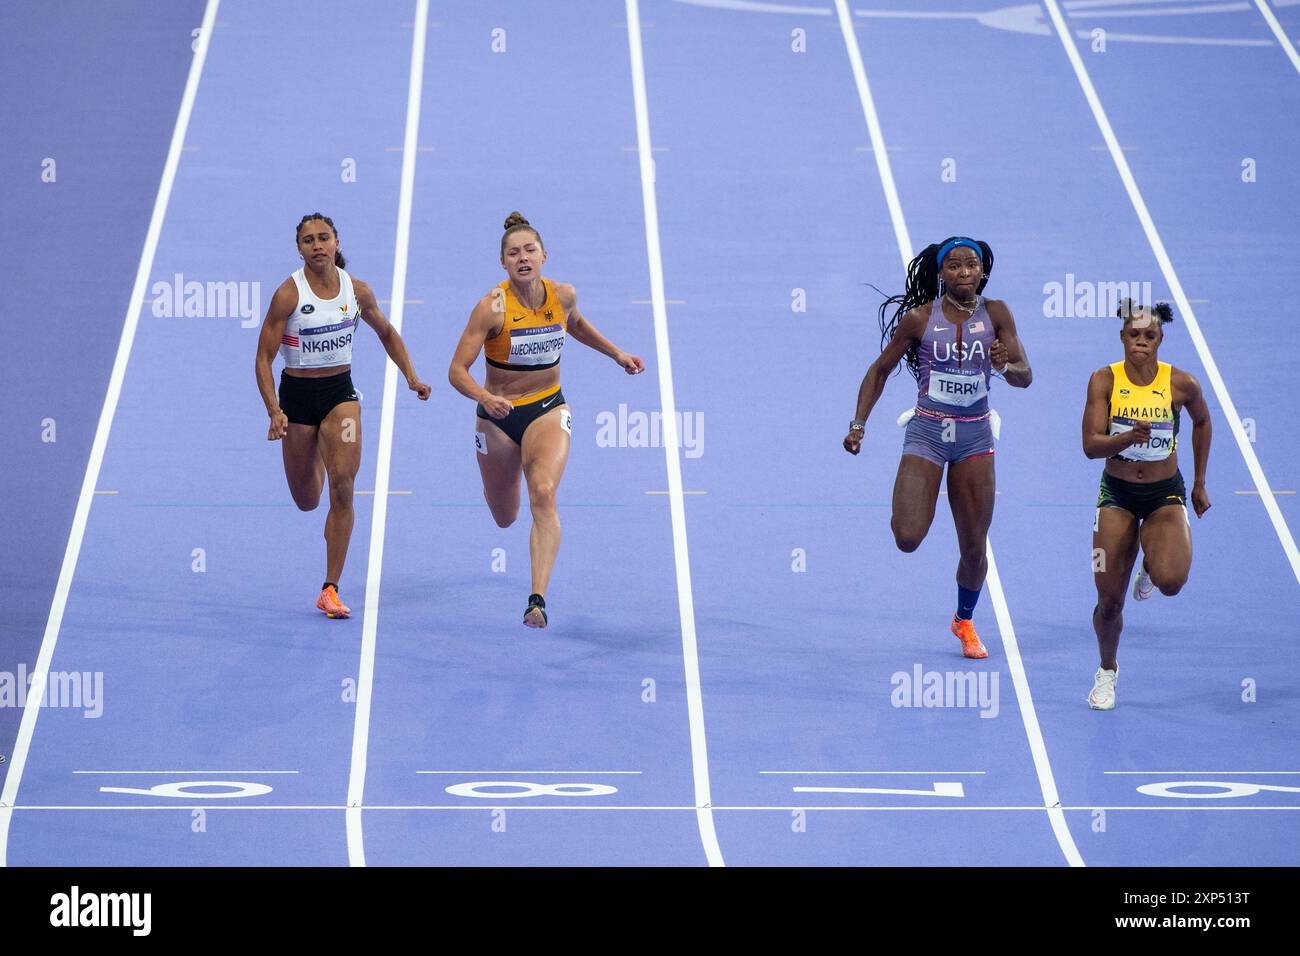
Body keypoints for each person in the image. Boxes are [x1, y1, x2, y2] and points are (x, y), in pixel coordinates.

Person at [449, 212, 645, 628]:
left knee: (543, 491)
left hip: (547, 408)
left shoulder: (564, 295)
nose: (523, 258)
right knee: (505, 516)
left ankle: (536, 599)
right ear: (503, 263)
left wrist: (617, 354)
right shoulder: (491, 308)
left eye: (529, 250)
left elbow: (574, 325)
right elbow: (456, 371)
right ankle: (507, 478)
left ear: (544, 255)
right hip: (497, 418)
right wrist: (486, 397)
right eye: (513, 253)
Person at [843, 236, 1031, 658]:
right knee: (907, 536)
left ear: (982, 271)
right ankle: (959, 610)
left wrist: (1005, 364)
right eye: (955, 266)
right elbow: (879, 370)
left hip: (975, 438)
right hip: (928, 431)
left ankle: (963, 621)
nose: (964, 272)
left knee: (973, 545)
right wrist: (859, 424)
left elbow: (1025, 376)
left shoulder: (998, 314)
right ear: (941, 273)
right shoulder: (919, 319)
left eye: (972, 265)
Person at [255, 212, 430, 618]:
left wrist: (411, 376)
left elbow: (386, 332)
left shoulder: (358, 291)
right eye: (308, 240)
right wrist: (274, 411)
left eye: (324, 238)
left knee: (343, 486)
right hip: (297, 399)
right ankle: (316, 448)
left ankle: (329, 587)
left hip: (340, 394)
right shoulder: (288, 295)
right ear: (298, 248)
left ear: (336, 242)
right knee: (306, 499)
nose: (317, 246)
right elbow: (263, 359)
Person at [1082, 299, 1211, 709]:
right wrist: (1125, 439)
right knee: (1109, 602)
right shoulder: (1104, 380)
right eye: (1134, 334)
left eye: (1149, 335)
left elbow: (1203, 421)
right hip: (1116, 495)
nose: (1141, 341)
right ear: (1122, 337)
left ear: (1160, 339)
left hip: (1164, 495)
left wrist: (1201, 482)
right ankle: (1106, 672)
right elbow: (1090, 446)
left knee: (1172, 582)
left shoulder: (1181, 384)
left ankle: (1151, 567)